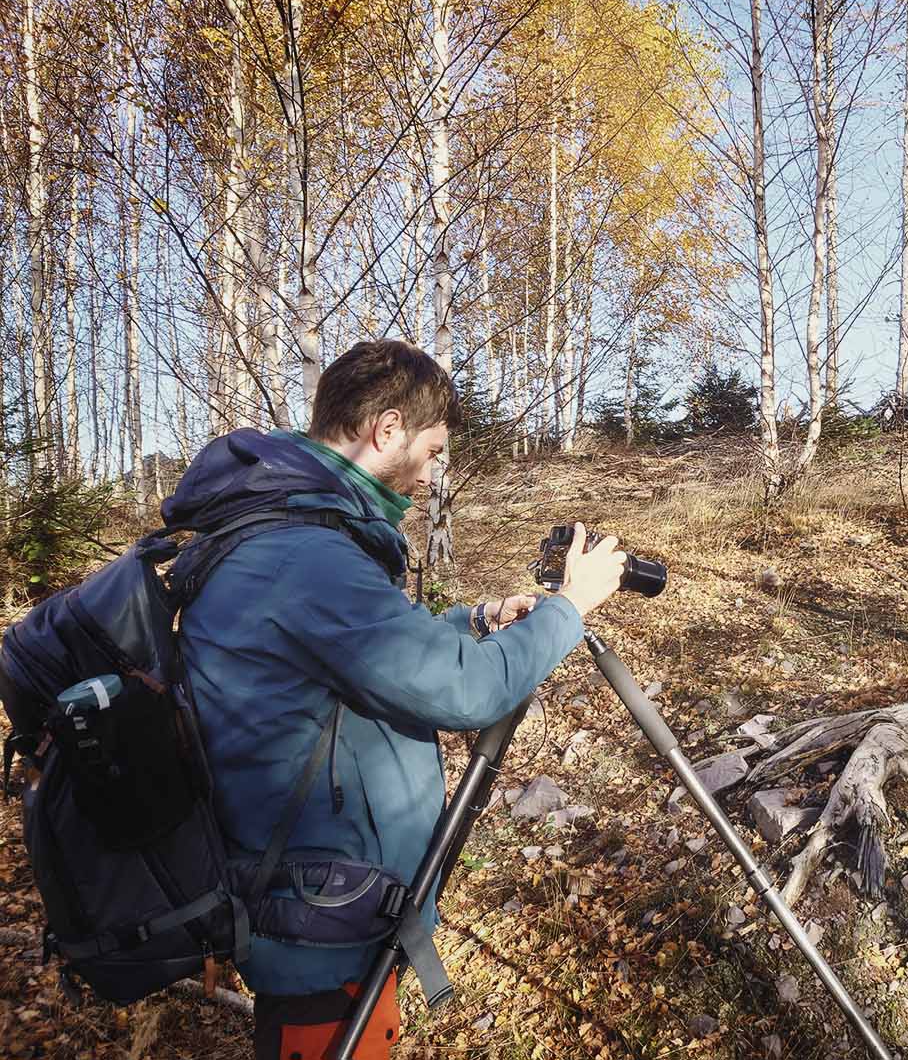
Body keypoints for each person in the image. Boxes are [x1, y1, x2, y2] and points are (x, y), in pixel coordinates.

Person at [162, 340, 626, 1060]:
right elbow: (470, 691)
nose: (432, 472)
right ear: (386, 431)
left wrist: (470, 621)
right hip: (314, 918)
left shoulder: (288, 533)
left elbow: (345, 661)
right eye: (434, 450)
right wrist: (571, 606)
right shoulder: (305, 556)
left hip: (318, 898)